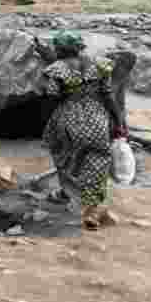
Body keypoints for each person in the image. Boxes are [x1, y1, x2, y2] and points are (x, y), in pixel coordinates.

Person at [34, 31, 126, 230]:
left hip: (69, 122)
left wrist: (44, 124)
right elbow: (109, 96)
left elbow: (51, 98)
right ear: (80, 47)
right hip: (98, 121)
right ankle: (92, 210)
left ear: (59, 49)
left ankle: (72, 196)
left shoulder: (56, 70)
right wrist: (118, 122)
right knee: (98, 161)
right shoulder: (99, 65)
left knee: (65, 158)